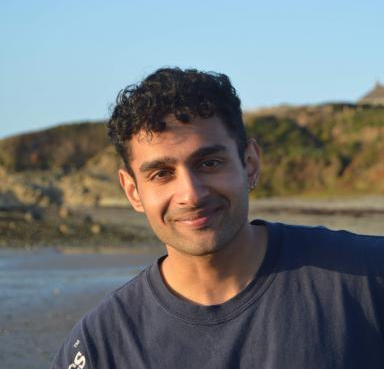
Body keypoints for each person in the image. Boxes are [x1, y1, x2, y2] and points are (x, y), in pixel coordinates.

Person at [52, 68, 384, 369]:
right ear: (133, 191)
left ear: (249, 163)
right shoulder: (100, 347)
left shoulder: (367, 278)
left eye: (209, 163)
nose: (192, 194)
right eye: (161, 173)